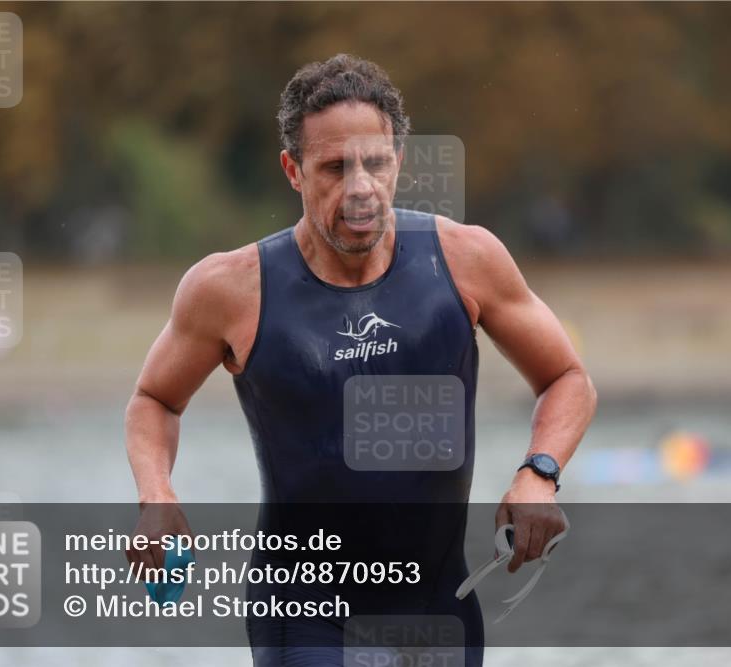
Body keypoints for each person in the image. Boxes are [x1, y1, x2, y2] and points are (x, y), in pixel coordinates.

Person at [125, 53, 597, 666]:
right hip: (304, 613)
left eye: (375, 163)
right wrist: (156, 496)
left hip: (439, 609)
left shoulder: (465, 259)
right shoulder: (231, 289)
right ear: (293, 170)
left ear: (398, 159)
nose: (360, 190)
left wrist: (539, 471)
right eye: (334, 168)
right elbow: (155, 399)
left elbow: (567, 377)